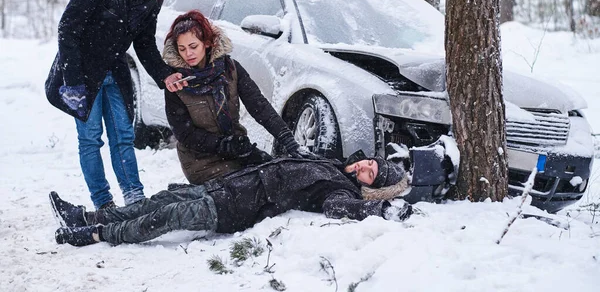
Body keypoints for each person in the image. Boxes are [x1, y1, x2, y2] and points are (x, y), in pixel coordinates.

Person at [45, 0, 189, 210]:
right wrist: (73, 82)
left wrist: (164, 75)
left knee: (123, 135)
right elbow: (68, 30)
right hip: (83, 75)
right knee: (90, 139)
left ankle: (134, 196)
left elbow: (144, 43)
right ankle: (103, 202)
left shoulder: (151, 0)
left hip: (115, 72)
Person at [50, 154, 413, 246]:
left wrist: (379, 208)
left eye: (370, 173)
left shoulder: (342, 193)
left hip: (234, 208)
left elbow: (339, 209)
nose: (363, 167)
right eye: (369, 163)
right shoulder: (333, 164)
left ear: (370, 188)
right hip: (231, 185)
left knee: (167, 216)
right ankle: (88, 215)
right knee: (161, 199)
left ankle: (97, 234)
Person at [161, 9, 311, 185]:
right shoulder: (176, 83)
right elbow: (185, 134)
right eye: (182, 49)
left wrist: (288, 140)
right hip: (202, 163)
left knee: (281, 177)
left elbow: (259, 106)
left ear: (207, 43)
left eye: (193, 46)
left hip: (239, 151)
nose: (188, 54)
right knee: (254, 189)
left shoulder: (230, 68)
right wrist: (223, 145)